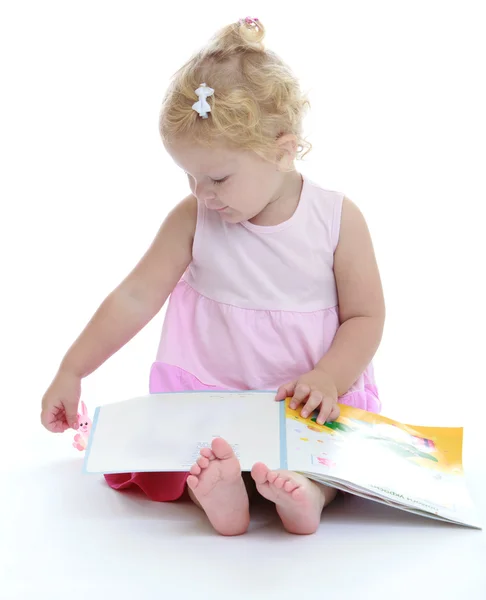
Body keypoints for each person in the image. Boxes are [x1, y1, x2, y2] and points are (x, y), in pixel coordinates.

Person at [41, 17, 385, 536]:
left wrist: (328, 378)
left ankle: (309, 494)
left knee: (327, 451)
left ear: (283, 148)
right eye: (190, 176)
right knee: (198, 453)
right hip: (216, 392)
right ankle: (222, 497)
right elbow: (135, 296)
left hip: (304, 395)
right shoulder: (192, 218)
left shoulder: (337, 218)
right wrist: (73, 368)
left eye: (218, 177)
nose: (203, 193)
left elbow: (365, 314)